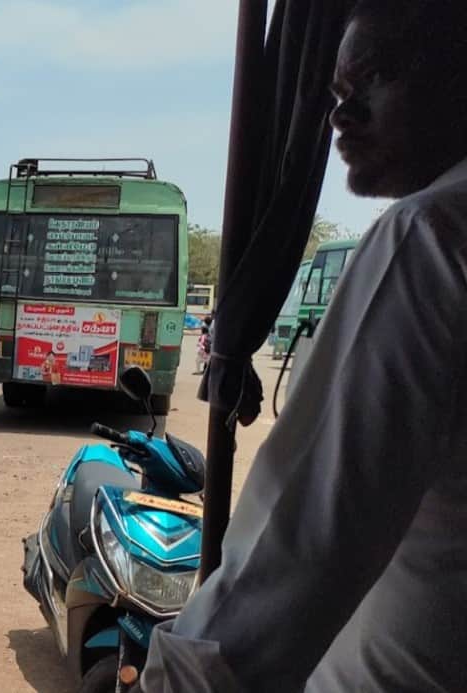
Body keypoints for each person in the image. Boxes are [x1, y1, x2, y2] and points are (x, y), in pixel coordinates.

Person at [141, 3, 467, 691]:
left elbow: (300, 544)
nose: (341, 117)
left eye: (373, 78)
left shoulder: (429, 236)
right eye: (337, 94)